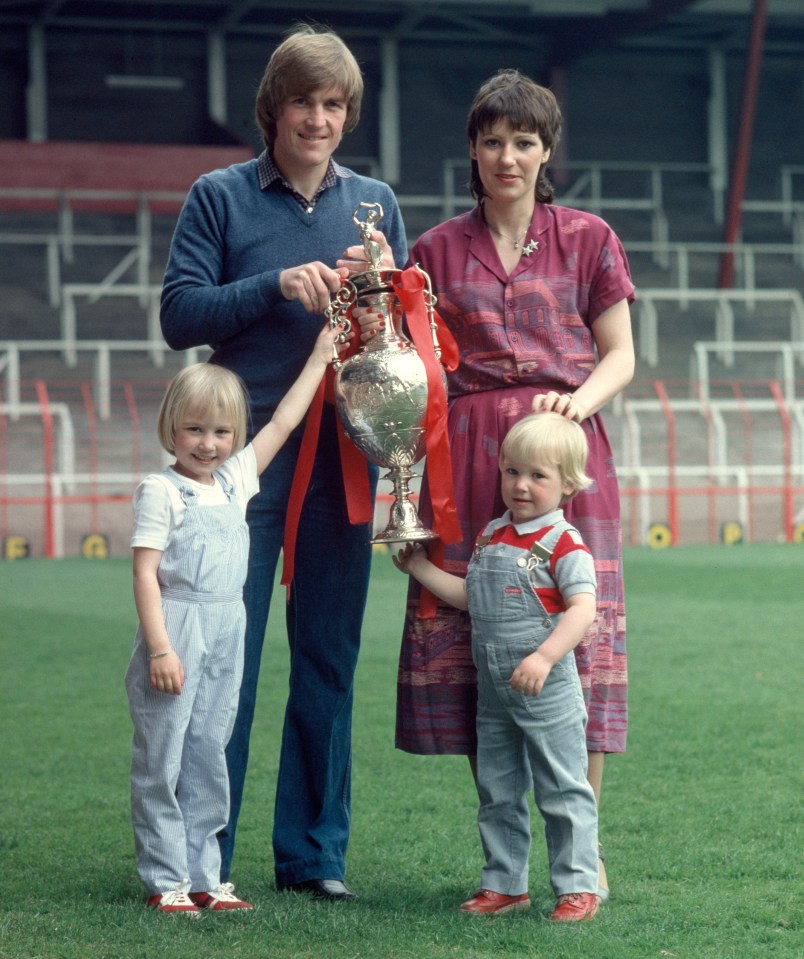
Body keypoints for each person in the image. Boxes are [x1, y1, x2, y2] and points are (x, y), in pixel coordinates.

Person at [159, 24, 407, 901]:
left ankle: (314, 855)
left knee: (329, 657)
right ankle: (202, 858)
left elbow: (403, 341)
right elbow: (179, 312)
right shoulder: (218, 195)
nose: (318, 118)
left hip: (344, 452)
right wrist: (275, 283)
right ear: (273, 108)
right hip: (236, 461)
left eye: (334, 103)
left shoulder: (375, 202)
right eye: (303, 100)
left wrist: (376, 293)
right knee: (224, 655)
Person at [373, 68, 634, 900]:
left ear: (546, 149)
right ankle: (505, 862)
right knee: (485, 632)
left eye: (524, 140)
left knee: (575, 640)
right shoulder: (436, 248)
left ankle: (581, 850)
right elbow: (410, 369)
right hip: (470, 449)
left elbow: (621, 353)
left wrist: (574, 404)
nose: (508, 155)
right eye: (493, 140)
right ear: (473, 150)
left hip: (565, 449)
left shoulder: (590, 236)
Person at [124, 321, 345, 914]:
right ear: (172, 427)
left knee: (209, 751)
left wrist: (322, 355)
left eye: (221, 431)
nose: (208, 443)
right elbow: (145, 573)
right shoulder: (160, 491)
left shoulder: (235, 479)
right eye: (194, 429)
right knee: (164, 756)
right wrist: (162, 648)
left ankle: (206, 875)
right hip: (177, 630)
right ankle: (165, 879)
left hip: (229, 630)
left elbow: (285, 421)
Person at [394, 412, 601, 921]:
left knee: (562, 787)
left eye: (537, 475)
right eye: (512, 472)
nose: (521, 485)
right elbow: (470, 597)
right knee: (498, 789)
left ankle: (578, 887)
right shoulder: (492, 534)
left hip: (546, 687)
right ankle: (505, 884)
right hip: (494, 691)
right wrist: (419, 567)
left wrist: (545, 656)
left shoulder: (564, 543)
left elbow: (583, 609)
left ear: (568, 483)